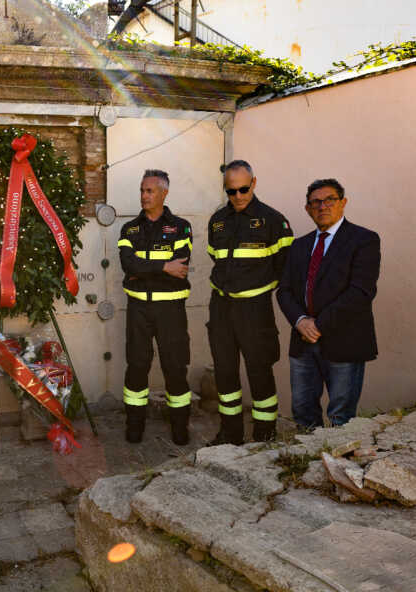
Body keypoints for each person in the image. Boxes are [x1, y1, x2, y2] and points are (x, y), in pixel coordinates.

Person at [277, 178, 380, 430]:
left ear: (343, 203)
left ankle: (338, 457)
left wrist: (318, 325)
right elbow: (284, 291)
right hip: (303, 343)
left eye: (329, 200)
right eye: (315, 202)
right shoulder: (298, 246)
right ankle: (307, 455)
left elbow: (361, 292)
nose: (322, 206)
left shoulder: (364, 240)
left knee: (341, 418)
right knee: (303, 413)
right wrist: (301, 321)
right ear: (307, 209)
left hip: (344, 342)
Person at [206, 160, 294, 445]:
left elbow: (286, 269)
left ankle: (264, 437)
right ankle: (230, 434)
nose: (238, 196)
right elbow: (216, 259)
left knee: (259, 371)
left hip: (255, 310)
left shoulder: (273, 221)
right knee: (224, 372)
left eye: (243, 189)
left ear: (254, 183)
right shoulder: (217, 221)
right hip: (221, 309)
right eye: (231, 191)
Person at [118, 169, 193, 446]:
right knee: (137, 366)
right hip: (138, 309)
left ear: (164, 193)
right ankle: (134, 427)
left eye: (149, 191)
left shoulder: (181, 227)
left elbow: (180, 266)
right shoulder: (129, 229)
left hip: (171, 310)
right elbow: (128, 265)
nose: (144, 196)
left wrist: (144, 269)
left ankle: (180, 429)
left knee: (175, 367)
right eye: (142, 190)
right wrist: (163, 267)